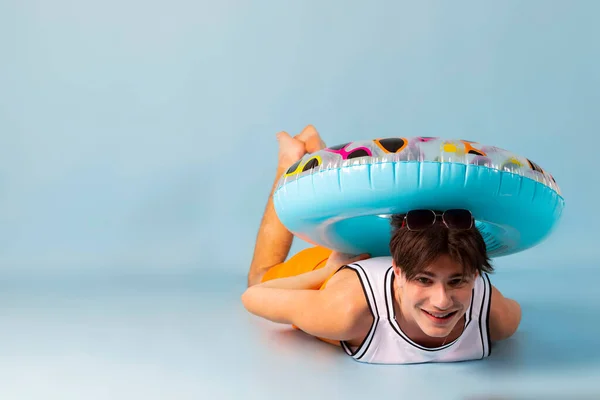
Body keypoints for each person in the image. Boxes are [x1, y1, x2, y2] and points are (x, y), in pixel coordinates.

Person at [242, 125, 522, 364]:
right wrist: (325, 274)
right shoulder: (347, 311)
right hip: (340, 267)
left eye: (457, 281)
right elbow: (254, 296)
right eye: (425, 281)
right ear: (398, 273)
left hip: (406, 251)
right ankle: (291, 158)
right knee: (260, 275)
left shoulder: (494, 316)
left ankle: (317, 151)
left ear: (475, 276)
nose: (442, 301)